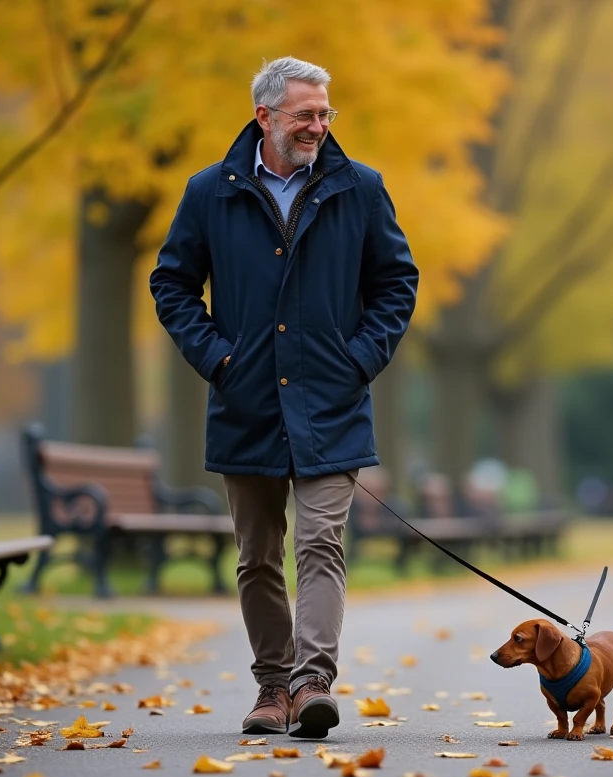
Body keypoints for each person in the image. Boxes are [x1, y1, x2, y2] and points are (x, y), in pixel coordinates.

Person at [149, 56, 418, 740]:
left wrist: (359, 360)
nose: (318, 126)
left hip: (333, 400)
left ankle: (311, 682)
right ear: (264, 115)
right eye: (305, 114)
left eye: (326, 114)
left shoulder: (361, 188)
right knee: (258, 556)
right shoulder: (209, 191)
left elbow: (396, 283)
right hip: (247, 402)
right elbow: (172, 284)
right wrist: (219, 359)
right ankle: (272, 686)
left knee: (322, 542)